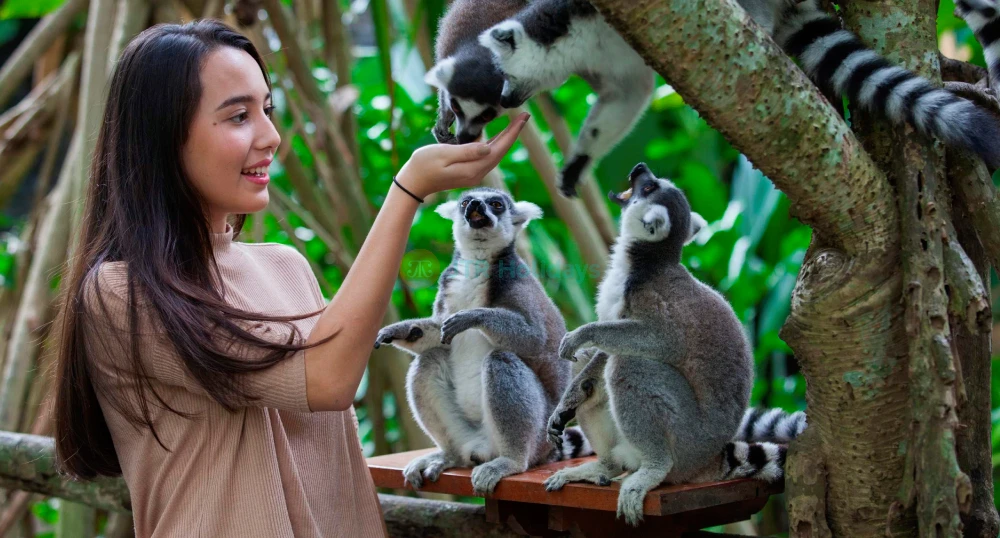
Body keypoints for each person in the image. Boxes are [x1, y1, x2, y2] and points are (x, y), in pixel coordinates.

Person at [51, 19, 528, 538]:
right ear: (164, 136)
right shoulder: (121, 293)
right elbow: (325, 378)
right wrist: (408, 190)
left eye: (267, 109)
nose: (270, 136)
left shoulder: (285, 265)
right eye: (238, 116)